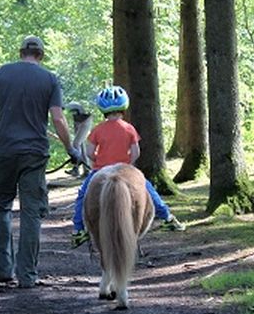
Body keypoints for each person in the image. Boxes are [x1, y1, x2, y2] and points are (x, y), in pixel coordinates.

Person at [0, 35, 82, 289]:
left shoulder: (1, 73)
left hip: (4, 150)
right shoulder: (49, 79)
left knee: (0, 207)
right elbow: (58, 119)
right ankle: (27, 275)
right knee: (31, 212)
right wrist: (70, 147)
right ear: (41, 54)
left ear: (21, 52)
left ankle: (3, 270)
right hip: (35, 153)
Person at [70, 85, 186, 247]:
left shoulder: (97, 130)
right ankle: (167, 218)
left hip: (100, 170)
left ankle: (78, 230)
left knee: (83, 195)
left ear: (103, 109)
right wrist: (128, 164)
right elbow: (136, 152)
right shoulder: (129, 128)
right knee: (148, 189)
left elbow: (89, 152)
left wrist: (98, 159)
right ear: (123, 107)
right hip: (125, 167)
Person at [64, 102, 93, 177]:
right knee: (81, 145)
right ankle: (86, 169)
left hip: (86, 121)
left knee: (76, 144)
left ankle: (77, 167)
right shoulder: (76, 114)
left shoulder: (84, 114)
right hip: (81, 122)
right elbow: (76, 122)